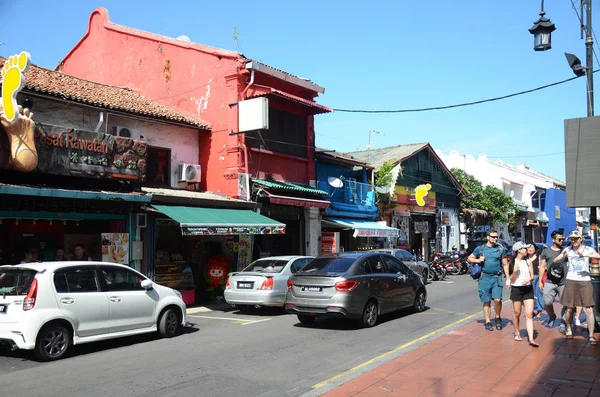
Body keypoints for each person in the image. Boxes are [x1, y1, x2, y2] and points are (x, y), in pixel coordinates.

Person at [554, 230, 599, 344]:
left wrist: (585, 255)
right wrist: (562, 257)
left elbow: (598, 256)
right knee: (569, 308)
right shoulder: (568, 249)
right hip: (571, 280)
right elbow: (556, 260)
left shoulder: (587, 249)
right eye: (572, 239)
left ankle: (591, 335)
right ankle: (569, 328)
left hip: (585, 281)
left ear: (581, 239)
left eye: (576, 238)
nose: (573, 240)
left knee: (588, 308)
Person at [468, 229, 509, 331]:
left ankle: (497, 317)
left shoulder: (500, 249)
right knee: (486, 301)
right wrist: (478, 260)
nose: (495, 238)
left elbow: (505, 264)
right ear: (488, 237)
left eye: (496, 237)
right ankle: (487, 321)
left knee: (497, 300)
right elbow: (470, 258)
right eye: (493, 237)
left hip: (497, 277)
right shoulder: (480, 249)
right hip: (484, 277)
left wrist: (508, 278)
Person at [509, 241, 538, 347]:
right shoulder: (512, 262)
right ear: (518, 250)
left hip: (528, 289)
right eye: (524, 248)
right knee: (517, 313)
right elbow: (511, 279)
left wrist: (528, 280)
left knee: (529, 314)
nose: (526, 250)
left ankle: (531, 339)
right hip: (516, 289)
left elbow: (532, 276)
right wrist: (515, 272)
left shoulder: (528, 261)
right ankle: (517, 332)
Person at [539, 230, 568, 331]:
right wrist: (540, 281)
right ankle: (552, 316)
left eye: (563, 239)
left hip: (563, 281)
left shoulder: (566, 250)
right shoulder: (546, 251)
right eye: (559, 239)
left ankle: (563, 322)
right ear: (553, 239)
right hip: (550, 281)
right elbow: (542, 267)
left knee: (565, 304)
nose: (561, 241)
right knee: (547, 302)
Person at [526, 243, 544, 322]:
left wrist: (540, 281)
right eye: (528, 247)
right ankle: (532, 311)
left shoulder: (538, 257)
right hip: (527, 278)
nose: (530, 249)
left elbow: (542, 268)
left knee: (538, 295)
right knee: (529, 296)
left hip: (537, 278)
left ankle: (539, 313)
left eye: (532, 247)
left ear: (535, 249)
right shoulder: (525, 258)